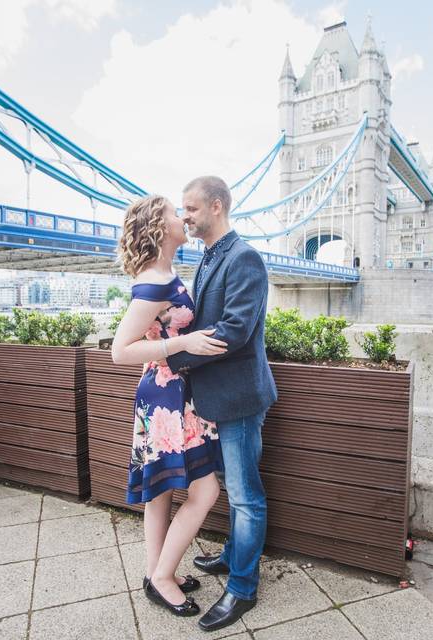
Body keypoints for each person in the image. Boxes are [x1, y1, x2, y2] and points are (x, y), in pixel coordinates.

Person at [166, 176, 278, 632]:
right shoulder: (211, 255)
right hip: (219, 396)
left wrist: (173, 357)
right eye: (182, 209)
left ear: (216, 206)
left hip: (240, 397)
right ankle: (233, 557)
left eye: (190, 208)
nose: (184, 216)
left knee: (247, 498)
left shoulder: (244, 256)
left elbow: (233, 331)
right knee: (233, 485)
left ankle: (243, 588)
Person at [111, 194, 229, 617]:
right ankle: (163, 577)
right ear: (160, 229)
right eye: (174, 213)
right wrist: (184, 342)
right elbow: (119, 351)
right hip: (166, 397)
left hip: (171, 393)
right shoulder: (154, 284)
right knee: (206, 491)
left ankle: (155, 573)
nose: (183, 218)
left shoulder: (164, 272)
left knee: (161, 492)